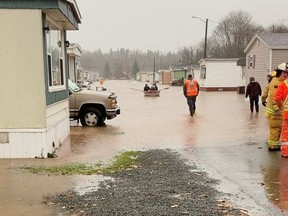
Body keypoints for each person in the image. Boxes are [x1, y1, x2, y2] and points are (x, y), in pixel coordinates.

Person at [262, 68, 287, 151]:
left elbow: (265, 92)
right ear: (279, 73)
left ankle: (274, 145)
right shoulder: (276, 83)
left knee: (277, 129)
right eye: (284, 73)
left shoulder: (278, 81)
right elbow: (274, 98)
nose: (286, 74)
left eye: (287, 73)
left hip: (275, 111)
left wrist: (263, 99)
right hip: (275, 112)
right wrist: (277, 110)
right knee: (275, 129)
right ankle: (272, 147)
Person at [274, 63, 288, 157]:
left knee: (286, 134)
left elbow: (277, 98)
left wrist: (281, 107)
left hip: (287, 114)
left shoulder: (284, 84)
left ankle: (285, 153)